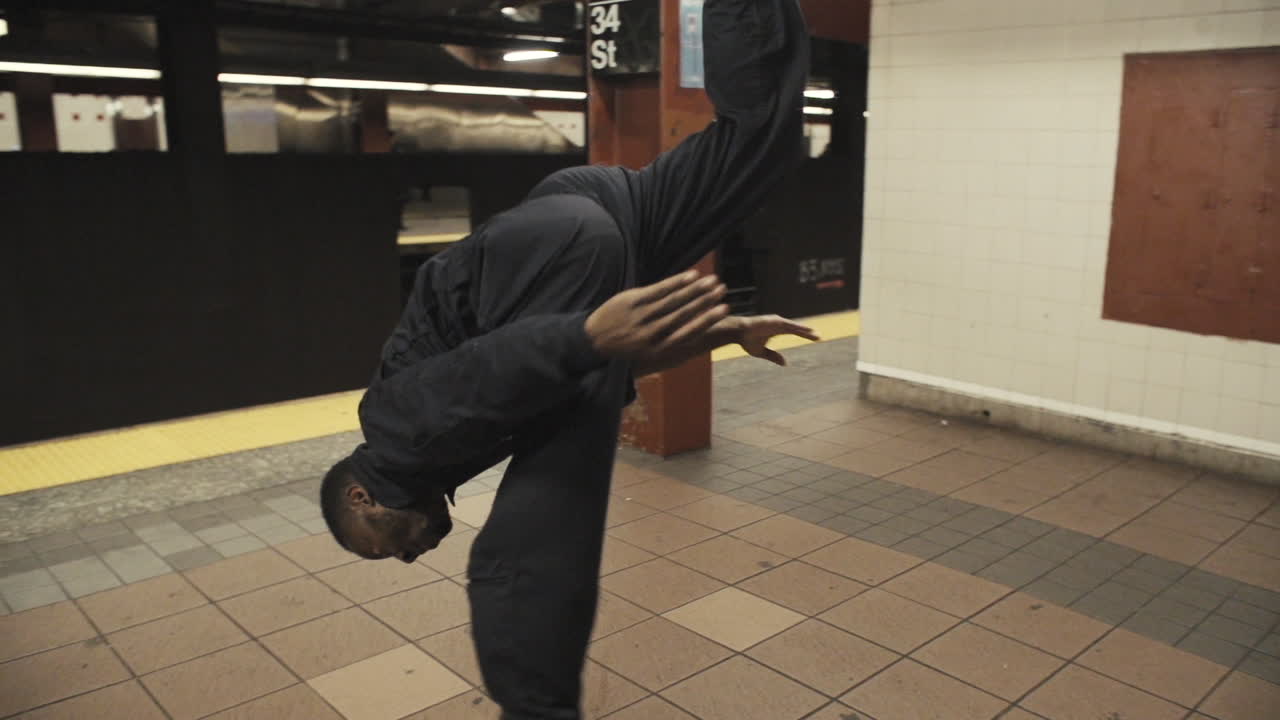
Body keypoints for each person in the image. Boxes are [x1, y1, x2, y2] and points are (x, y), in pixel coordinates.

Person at [321, 1, 812, 717]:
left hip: (550, 251)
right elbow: (555, 367)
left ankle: (535, 707)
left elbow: (488, 368)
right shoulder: (435, 456)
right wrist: (717, 334)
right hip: (604, 212)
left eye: (379, 548)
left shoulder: (395, 430)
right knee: (762, 140)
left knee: (541, 521)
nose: (404, 557)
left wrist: (586, 337)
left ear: (362, 497)